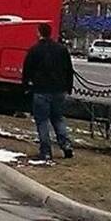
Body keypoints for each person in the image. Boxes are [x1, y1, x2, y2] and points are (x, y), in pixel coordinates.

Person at [22, 23, 75, 162]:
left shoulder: (35, 50)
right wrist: (68, 87)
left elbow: (27, 69)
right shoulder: (62, 49)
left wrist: (26, 86)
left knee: (42, 121)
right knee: (58, 118)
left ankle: (45, 151)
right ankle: (66, 145)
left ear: (39, 33)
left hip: (41, 90)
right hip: (59, 90)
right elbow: (69, 70)